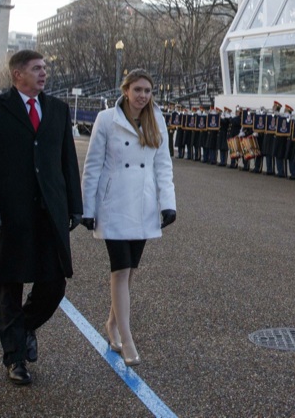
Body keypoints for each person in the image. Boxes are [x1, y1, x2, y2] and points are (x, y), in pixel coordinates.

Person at [0, 50, 83, 386]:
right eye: (36, 69)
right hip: (9, 215)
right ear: (17, 75)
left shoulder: (57, 110)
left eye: (45, 68)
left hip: (48, 215)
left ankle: (24, 326)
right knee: (10, 286)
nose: (43, 73)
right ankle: (14, 357)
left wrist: (75, 205)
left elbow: (67, 162)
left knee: (54, 285)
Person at [80, 69, 176, 367]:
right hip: (114, 204)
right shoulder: (106, 119)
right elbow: (93, 165)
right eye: (137, 90)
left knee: (131, 270)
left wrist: (168, 204)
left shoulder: (156, 119)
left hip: (144, 205)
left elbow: (163, 164)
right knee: (120, 270)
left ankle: (111, 323)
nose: (143, 96)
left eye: (147, 90)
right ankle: (126, 336)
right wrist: (87, 208)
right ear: (126, 90)